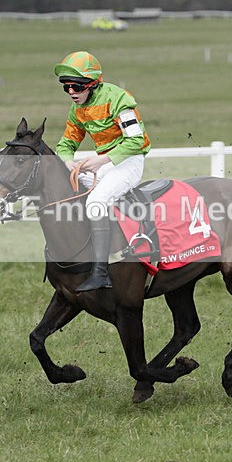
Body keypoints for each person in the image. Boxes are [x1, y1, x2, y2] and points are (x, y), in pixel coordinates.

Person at [54, 51, 151, 291]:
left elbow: (136, 141)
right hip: (105, 162)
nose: (71, 93)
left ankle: (101, 272)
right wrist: (69, 164)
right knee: (69, 187)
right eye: (65, 88)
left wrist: (102, 160)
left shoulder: (119, 99)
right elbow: (65, 145)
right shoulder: (76, 109)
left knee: (96, 199)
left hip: (129, 160)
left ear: (91, 83)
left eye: (75, 87)